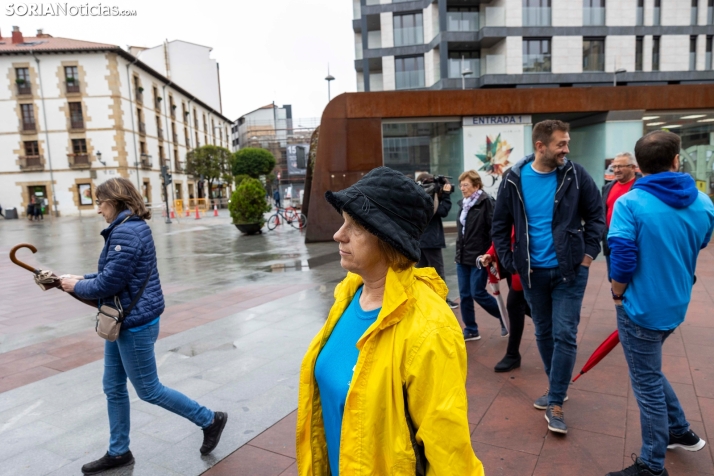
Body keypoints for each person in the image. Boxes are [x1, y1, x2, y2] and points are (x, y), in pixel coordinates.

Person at [296, 167, 483, 475]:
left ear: (388, 239)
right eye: (343, 222)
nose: (338, 235)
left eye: (354, 226)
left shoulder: (430, 326)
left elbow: (449, 452)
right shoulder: (348, 293)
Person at [59, 177, 227, 475]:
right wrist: (76, 279)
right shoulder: (129, 228)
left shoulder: (126, 234)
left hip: (133, 324)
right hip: (124, 321)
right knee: (113, 387)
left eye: (100, 202)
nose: (99, 209)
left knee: (149, 390)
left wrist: (75, 286)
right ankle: (119, 451)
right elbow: (113, 272)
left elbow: (109, 282)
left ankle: (209, 419)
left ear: (113, 201)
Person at [606, 131, 714, 476]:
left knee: (646, 383)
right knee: (648, 371)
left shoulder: (630, 203)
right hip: (676, 303)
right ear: (676, 160)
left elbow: (621, 259)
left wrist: (618, 294)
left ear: (638, 167)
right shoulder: (704, 202)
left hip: (640, 307)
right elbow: (701, 241)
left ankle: (652, 465)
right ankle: (679, 430)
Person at [491, 119, 605, 435]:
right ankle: (559, 384)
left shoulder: (576, 175)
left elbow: (597, 216)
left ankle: (555, 399)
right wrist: (510, 262)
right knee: (542, 331)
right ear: (541, 146)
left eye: (567, 143)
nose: (566, 149)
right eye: (561, 144)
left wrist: (588, 254)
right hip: (531, 272)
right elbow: (499, 225)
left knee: (565, 333)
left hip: (570, 270)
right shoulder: (514, 178)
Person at [455, 170, 505, 341]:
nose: (462, 188)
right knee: (464, 294)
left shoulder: (487, 203)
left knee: (477, 292)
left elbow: (494, 230)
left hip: (479, 257)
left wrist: (491, 254)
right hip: (462, 256)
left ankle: (504, 317)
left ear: (476, 186)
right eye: (461, 185)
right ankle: (470, 329)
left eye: (466, 185)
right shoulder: (463, 204)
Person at [480, 231, 532, 372]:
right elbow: (502, 232)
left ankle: (513, 354)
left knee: (517, 304)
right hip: (515, 259)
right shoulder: (509, 209)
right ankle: (513, 354)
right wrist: (490, 253)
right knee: (521, 305)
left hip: (531, 259)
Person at [415, 173, 458, 309]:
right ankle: (443, 299)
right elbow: (443, 211)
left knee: (421, 271)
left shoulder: (417, 195)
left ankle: (421, 297)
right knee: (438, 271)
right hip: (431, 239)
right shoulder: (429, 197)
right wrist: (446, 195)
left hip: (419, 240)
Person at [602, 152, 641, 280]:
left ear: (632, 167)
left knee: (634, 278)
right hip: (611, 242)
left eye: (620, 166)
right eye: (615, 166)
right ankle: (618, 300)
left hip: (633, 242)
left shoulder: (641, 187)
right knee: (614, 278)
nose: (616, 170)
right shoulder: (608, 187)